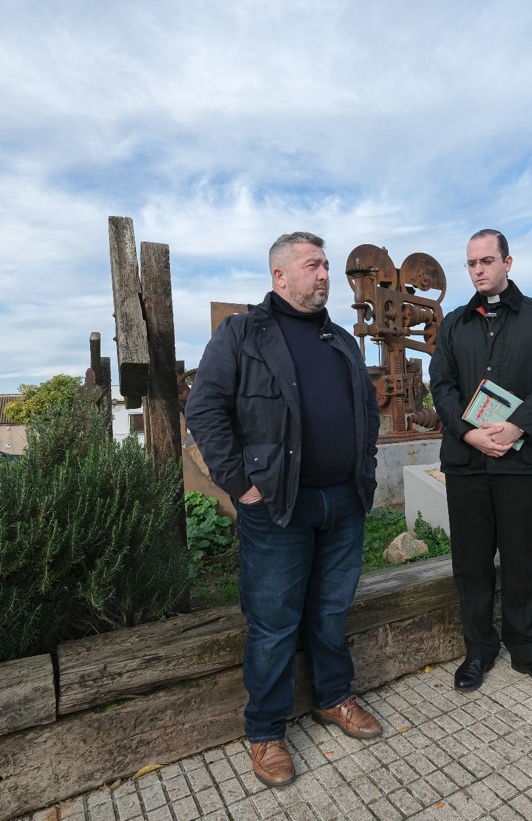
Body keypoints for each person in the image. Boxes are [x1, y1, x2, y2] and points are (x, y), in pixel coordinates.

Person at [184, 231, 382, 788]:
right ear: (279, 276)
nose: (325, 275)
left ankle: (334, 697)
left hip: (342, 501)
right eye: (313, 266)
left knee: (331, 609)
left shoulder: (341, 340)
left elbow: (365, 411)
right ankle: (266, 731)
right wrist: (239, 482)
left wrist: (361, 465)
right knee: (273, 624)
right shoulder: (243, 335)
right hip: (277, 507)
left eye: (326, 266)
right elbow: (204, 408)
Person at [428, 228, 532, 694]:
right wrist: (469, 432)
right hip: (468, 463)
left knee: (519, 560)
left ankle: (527, 651)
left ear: (508, 263)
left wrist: (516, 427)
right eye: (471, 264)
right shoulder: (452, 325)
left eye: (487, 261)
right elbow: (442, 386)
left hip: (522, 461)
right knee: (470, 563)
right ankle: (479, 651)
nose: (478, 271)